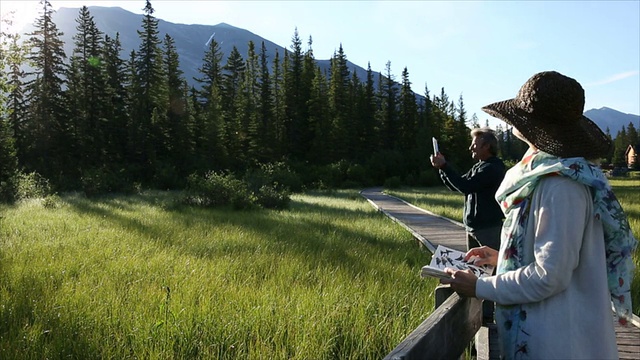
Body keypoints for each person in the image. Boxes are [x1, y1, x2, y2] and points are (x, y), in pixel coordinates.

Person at [441, 71, 638, 360]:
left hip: (557, 342)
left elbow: (550, 276)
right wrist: (504, 257)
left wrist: (480, 286)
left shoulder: (560, 184)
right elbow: (555, 258)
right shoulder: (556, 176)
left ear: (530, 127)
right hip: (557, 334)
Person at [430, 127, 506, 252]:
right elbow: (457, 185)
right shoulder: (479, 166)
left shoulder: (492, 168)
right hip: (474, 228)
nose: (471, 148)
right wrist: (442, 169)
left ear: (486, 146)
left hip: (488, 229)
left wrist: (444, 166)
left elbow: (466, 186)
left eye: (474, 144)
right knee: (475, 268)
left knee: (491, 269)